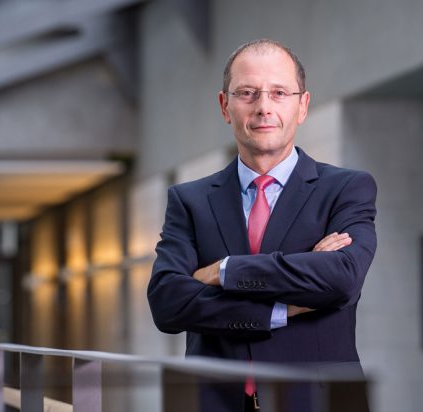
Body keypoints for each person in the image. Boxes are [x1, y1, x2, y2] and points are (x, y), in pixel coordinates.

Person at [147, 39, 377, 412]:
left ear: (302, 105)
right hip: (214, 403)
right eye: (247, 93)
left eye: (279, 93)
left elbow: (342, 278)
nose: (263, 107)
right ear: (225, 106)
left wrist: (223, 271)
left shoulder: (346, 189)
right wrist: (280, 308)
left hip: (318, 402)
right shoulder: (189, 201)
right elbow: (167, 303)